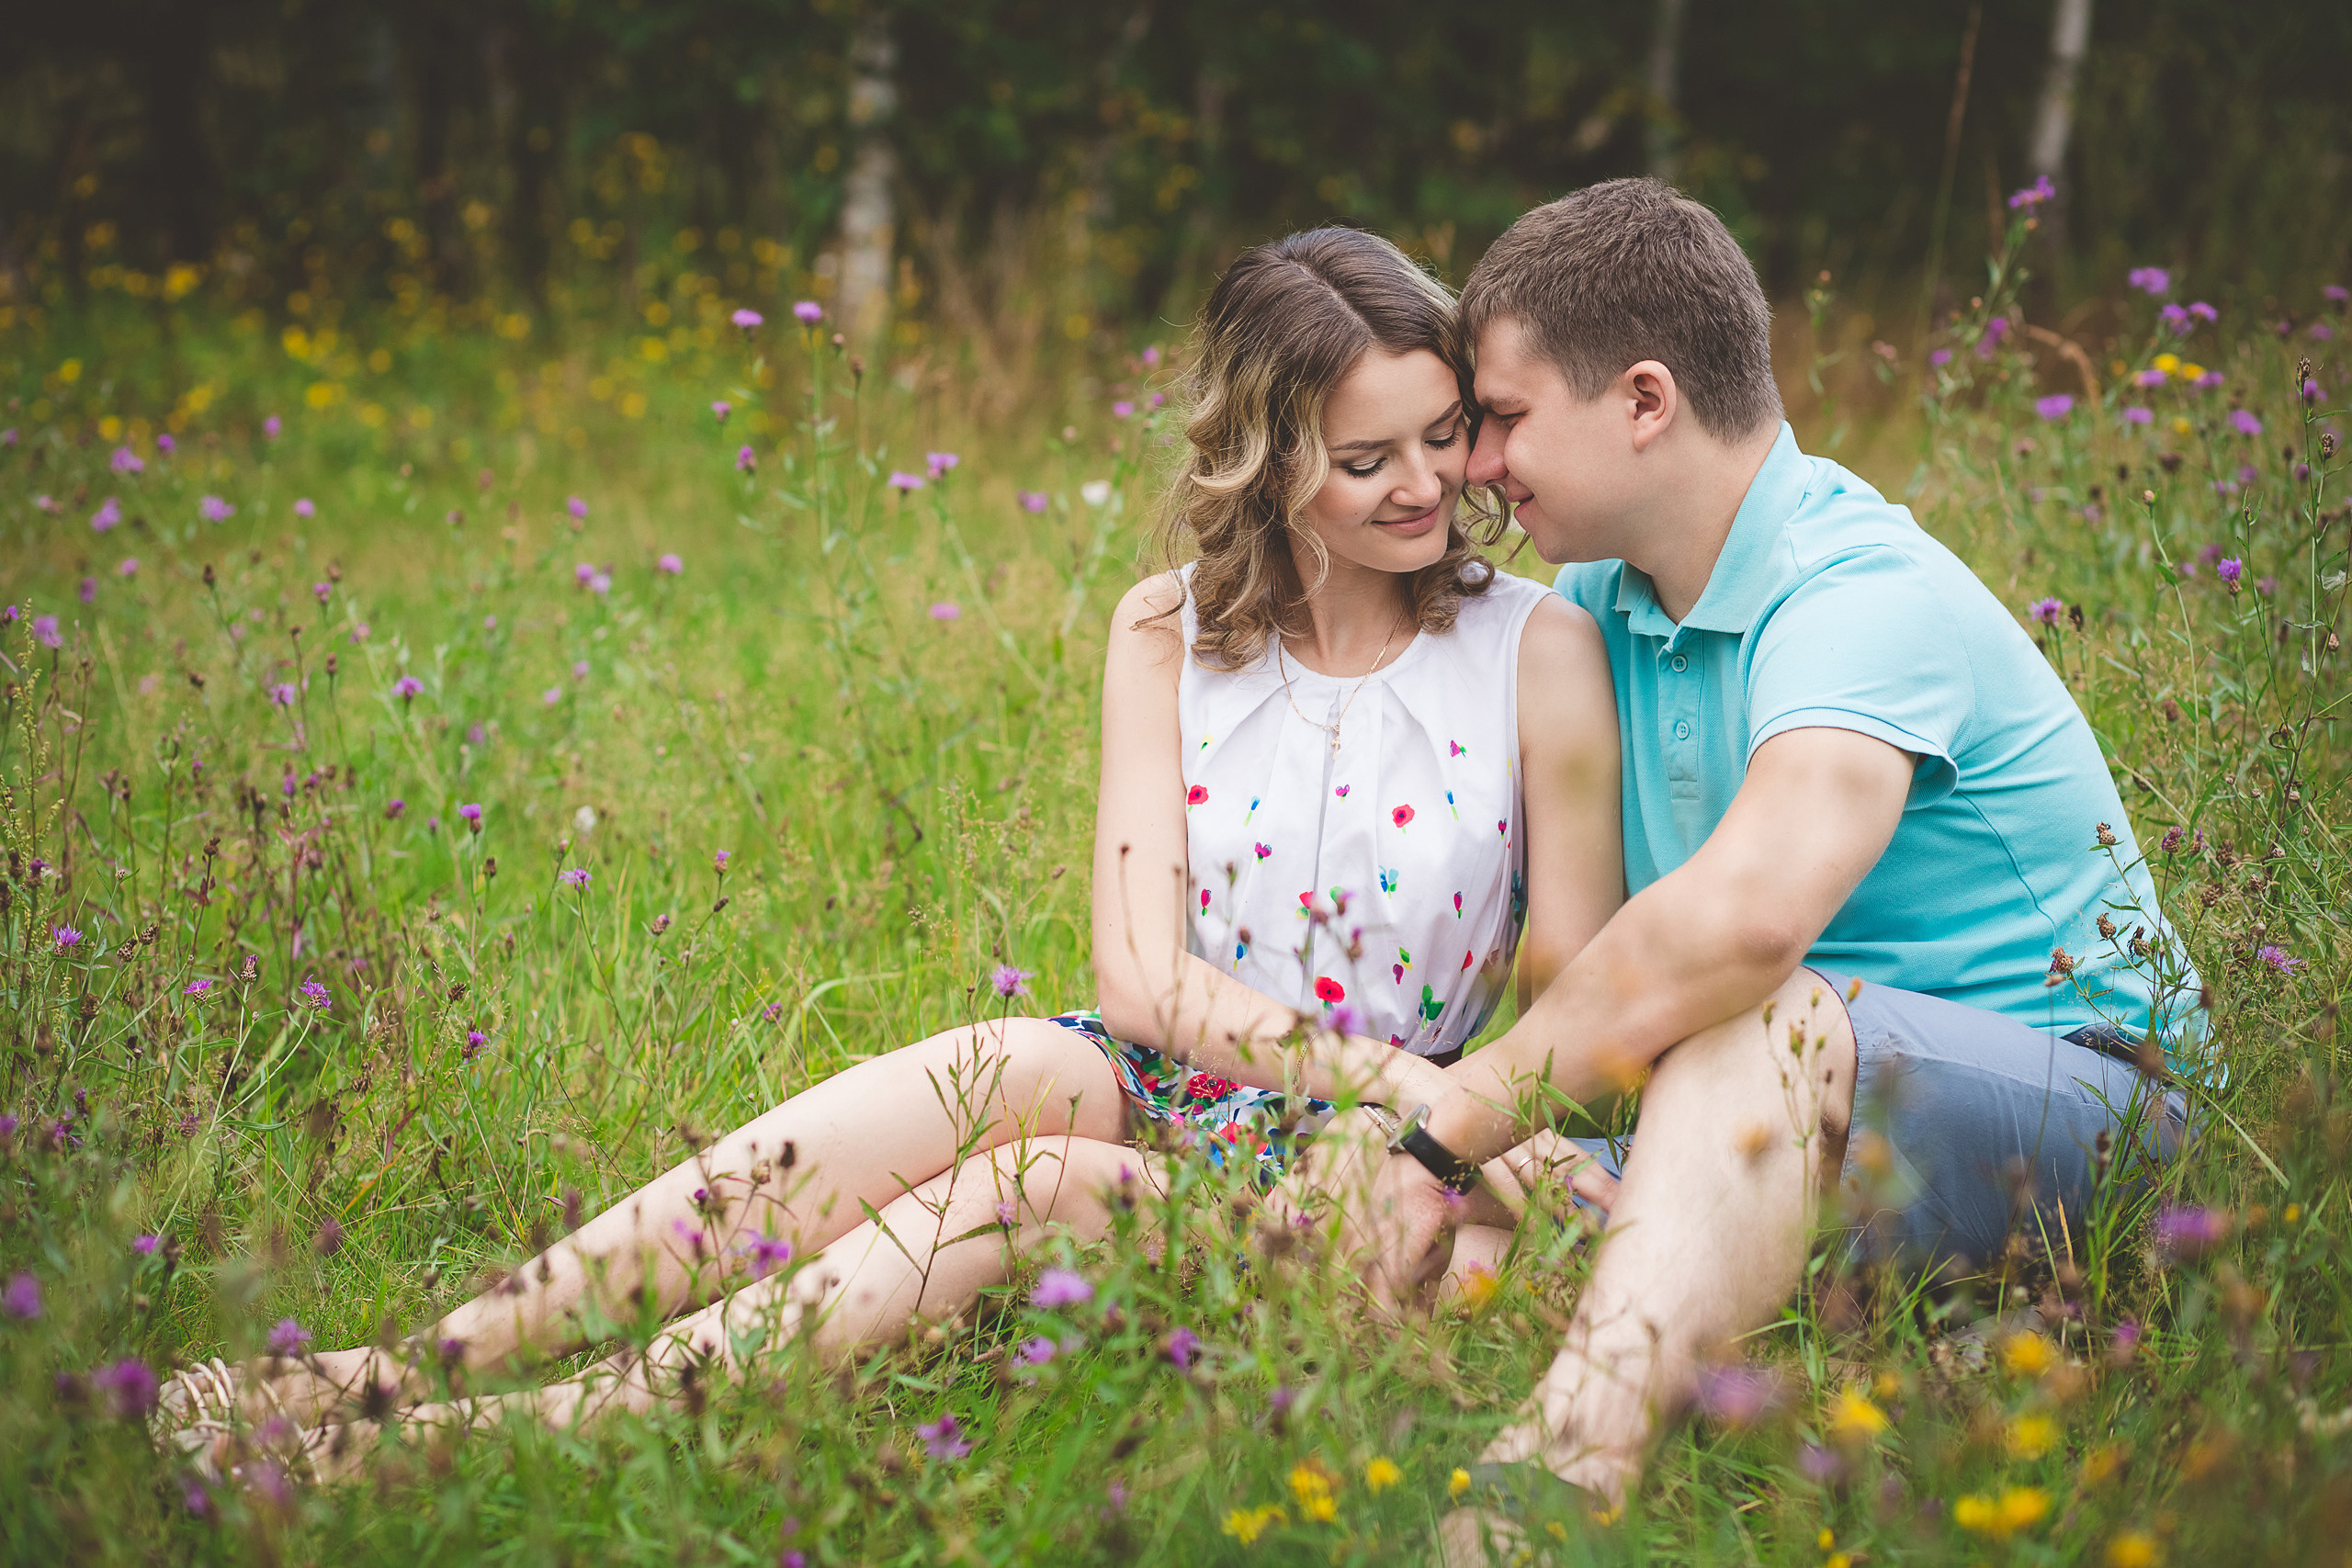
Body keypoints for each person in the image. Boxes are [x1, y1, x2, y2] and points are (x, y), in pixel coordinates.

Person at [153, 227, 1626, 1484]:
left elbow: (1576, 1001)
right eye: (1366, 458)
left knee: (1039, 1176)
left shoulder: (1532, 645)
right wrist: (1382, 1081)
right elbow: (1134, 974)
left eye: (1444, 436)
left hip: (1391, 1148)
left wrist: (1417, 1117)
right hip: (1213, 1068)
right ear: (1268, 457)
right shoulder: (1168, 627)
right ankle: (392, 1370)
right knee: (1002, 1061)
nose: (1428, 486)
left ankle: (475, 1447)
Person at [1303, 179, 2196, 1558]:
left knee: (1744, 1015)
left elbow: (1749, 926)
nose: (1475, 464)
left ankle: (1546, 1494)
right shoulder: (1597, 604)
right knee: (1426, 1211)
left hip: (2084, 1116)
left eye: (1504, 417)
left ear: (1646, 399)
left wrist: (1438, 1129)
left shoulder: (1859, 594)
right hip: (1771, 1123)